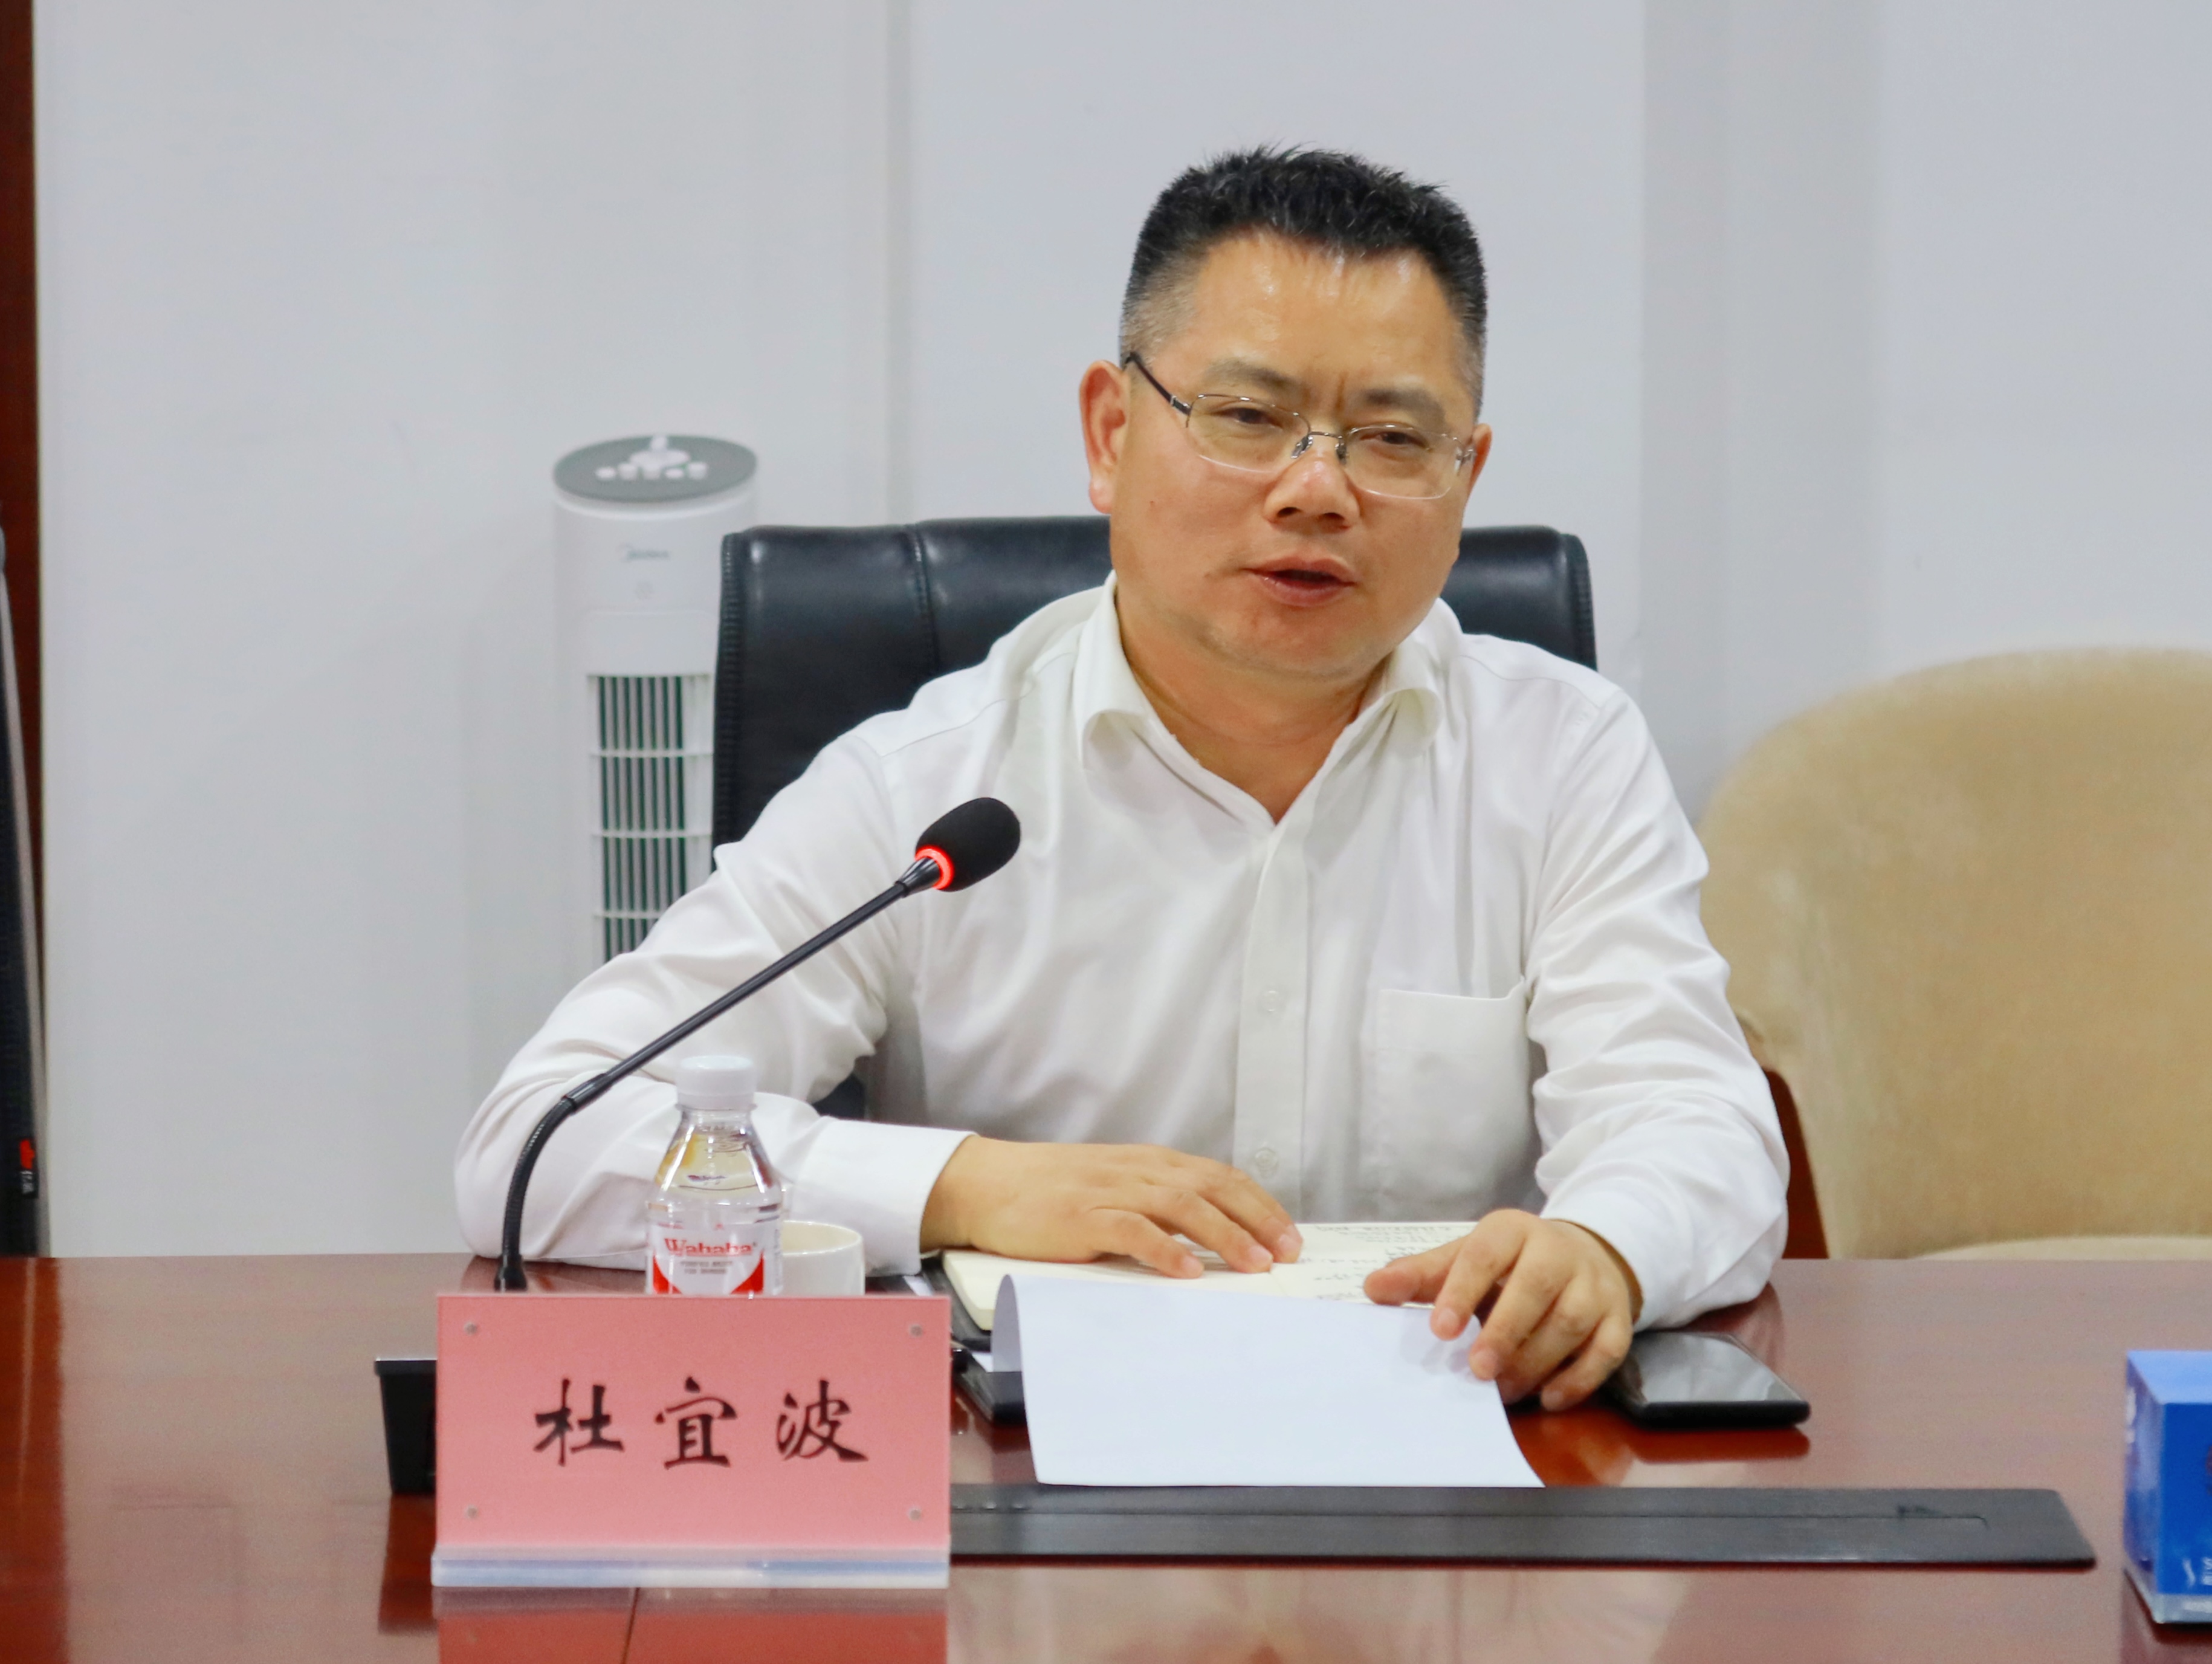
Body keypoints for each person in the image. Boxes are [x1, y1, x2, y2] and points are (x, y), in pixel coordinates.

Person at [458, 147, 1786, 1410]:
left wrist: (1603, 1247)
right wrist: (967, 1186)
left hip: (1458, 1450)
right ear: (1110, 433)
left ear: (1464, 477)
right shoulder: (931, 791)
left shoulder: (1560, 755)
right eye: (1248, 417)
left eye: (1390, 437)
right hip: (1027, 1477)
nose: (1316, 490)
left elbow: (1694, 1122)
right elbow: (540, 1142)